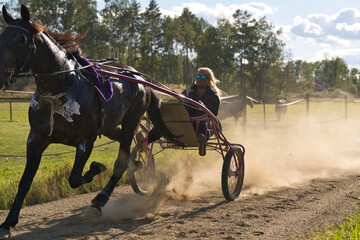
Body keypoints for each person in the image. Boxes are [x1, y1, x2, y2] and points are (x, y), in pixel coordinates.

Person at [136, 67, 221, 156]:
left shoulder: (213, 96)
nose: (199, 79)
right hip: (185, 120)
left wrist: (203, 107)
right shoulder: (188, 92)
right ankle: (145, 142)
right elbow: (180, 101)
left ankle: (201, 142)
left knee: (201, 121)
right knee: (166, 123)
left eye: (202, 77)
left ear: (208, 80)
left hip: (203, 123)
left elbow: (213, 113)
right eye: (197, 76)